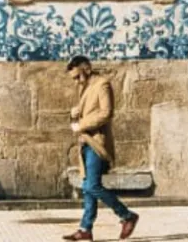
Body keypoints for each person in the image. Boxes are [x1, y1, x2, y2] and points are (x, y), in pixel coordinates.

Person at [63, 55, 139, 241]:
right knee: (88, 187)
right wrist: (74, 113)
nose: (76, 81)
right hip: (85, 142)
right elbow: (89, 111)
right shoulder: (84, 86)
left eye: (78, 76)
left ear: (87, 68)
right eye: (73, 78)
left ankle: (127, 215)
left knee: (92, 185)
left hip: (97, 142)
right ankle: (85, 229)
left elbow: (106, 113)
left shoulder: (102, 84)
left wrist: (81, 125)